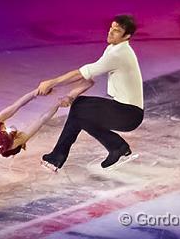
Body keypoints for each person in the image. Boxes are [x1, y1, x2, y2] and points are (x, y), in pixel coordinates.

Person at [37, 14, 144, 172]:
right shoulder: (113, 48)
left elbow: (81, 74)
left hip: (128, 114)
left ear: (126, 36)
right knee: (80, 108)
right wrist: (71, 96)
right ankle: (116, 147)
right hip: (124, 109)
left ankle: (57, 157)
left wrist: (52, 82)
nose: (110, 32)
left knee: (80, 112)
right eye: (111, 28)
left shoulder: (118, 54)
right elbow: (90, 77)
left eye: (117, 31)